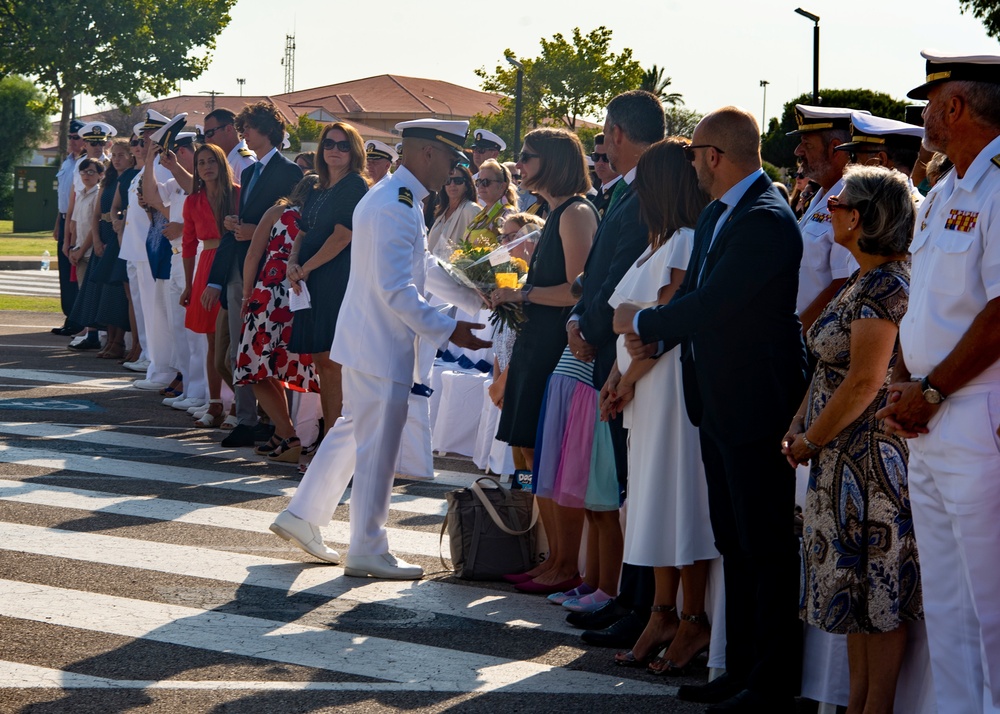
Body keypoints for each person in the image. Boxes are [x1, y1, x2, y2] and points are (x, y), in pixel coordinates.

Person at [613, 106, 807, 712]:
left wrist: (644, 322)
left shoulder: (765, 218)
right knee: (736, 541)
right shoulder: (725, 213)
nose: (691, 163)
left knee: (765, 546)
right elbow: (698, 296)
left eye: (695, 153)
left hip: (755, 402)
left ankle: (770, 681)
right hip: (719, 399)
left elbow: (716, 303)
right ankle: (743, 667)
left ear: (715, 157)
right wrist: (656, 332)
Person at [269, 119, 490, 579]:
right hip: (380, 342)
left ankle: (303, 514)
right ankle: (368, 545)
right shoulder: (397, 203)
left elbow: (421, 264)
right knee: (378, 446)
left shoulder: (396, 196)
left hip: (367, 338)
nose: (453, 171)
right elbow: (397, 289)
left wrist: (475, 298)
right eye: (451, 160)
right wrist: (450, 331)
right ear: (428, 153)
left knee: (354, 430)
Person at [875, 50, 1000, 714]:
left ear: (954, 107)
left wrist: (932, 390)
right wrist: (902, 382)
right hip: (929, 412)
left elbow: (999, 311)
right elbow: (923, 304)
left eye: (930, 102)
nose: (922, 116)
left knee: (990, 609)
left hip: (975, 413)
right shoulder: (947, 189)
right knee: (948, 606)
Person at [783, 165, 921, 714]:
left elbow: (866, 381)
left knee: (879, 596)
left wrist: (810, 440)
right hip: (841, 459)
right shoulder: (864, 280)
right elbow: (828, 374)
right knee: (857, 597)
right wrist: (799, 425)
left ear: (861, 218)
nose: (829, 209)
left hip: (869, 464)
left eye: (838, 203)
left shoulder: (887, 283)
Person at [603, 138, 717, 675]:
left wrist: (626, 379)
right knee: (652, 500)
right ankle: (663, 611)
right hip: (643, 385)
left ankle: (691, 617)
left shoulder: (688, 240)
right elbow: (627, 326)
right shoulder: (662, 240)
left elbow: (660, 330)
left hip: (667, 384)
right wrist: (614, 378)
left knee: (679, 501)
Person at [563, 91, 665, 649]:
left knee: (632, 488)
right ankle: (628, 597)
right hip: (608, 345)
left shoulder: (650, 188)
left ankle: (640, 603)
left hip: (626, 349)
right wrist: (582, 315)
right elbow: (600, 273)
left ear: (617, 134)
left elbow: (626, 272)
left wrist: (591, 325)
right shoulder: (627, 188)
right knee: (621, 486)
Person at [491, 127, 598, 593]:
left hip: (558, 349)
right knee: (535, 455)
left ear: (553, 161)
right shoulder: (553, 213)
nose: (519, 165)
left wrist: (524, 292)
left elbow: (581, 290)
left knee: (549, 457)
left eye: (528, 157)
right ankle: (553, 558)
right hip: (538, 344)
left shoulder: (575, 213)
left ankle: (564, 565)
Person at [204, 101, 303, 448]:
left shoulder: (290, 172)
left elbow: (292, 220)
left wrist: (253, 229)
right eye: (243, 126)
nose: (244, 132)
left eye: (250, 127)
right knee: (239, 353)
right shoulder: (248, 172)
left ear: (267, 130)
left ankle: (275, 425)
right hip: (241, 267)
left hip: (270, 274)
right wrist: (235, 225)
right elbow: (243, 220)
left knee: (269, 354)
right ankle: (247, 418)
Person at [286, 122, 370, 441]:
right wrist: (294, 263)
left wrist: (304, 268)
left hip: (337, 279)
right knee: (322, 359)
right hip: (311, 279)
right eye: (329, 144)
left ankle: (336, 442)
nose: (335, 150)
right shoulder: (318, 187)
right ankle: (331, 437)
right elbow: (303, 231)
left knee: (333, 362)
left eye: (343, 145)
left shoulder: (353, 186)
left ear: (355, 151)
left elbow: (342, 237)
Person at [235, 175, 321, 458]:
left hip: (268, 296)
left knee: (255, 368)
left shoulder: (277, 213)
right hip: (298, 298)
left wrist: (247, 295)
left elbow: (252, 255)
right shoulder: (320, 220)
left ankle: (287, 433)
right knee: (278, 366)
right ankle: (280, 434)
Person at [180, 143, 240, 428]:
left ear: (221, 163)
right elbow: (188, 244)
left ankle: (241, 405)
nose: (206, 166)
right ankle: (215, 403)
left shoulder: (238, 194)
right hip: (206, 266)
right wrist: (190, 285)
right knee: (211, 340)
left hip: (234, 263)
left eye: (211, 161)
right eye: (201, 162)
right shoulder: (192, 201)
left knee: (234, 340)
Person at [792, 105, 863, 332]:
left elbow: (842, 283)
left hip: (814, 341)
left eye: (807, 144)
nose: (798, 151)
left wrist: (797, 334)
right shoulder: (822, 195)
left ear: (835, 148)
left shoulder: (849, 201)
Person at [834, 112, 925, 201]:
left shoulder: (914, 212)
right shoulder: (913, 209)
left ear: (880, 161)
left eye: (854, 157)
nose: (849, 165)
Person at [52, 120, 86, 336]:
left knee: (76, 271)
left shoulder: (86, 163)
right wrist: (58, 222)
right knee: (65, 272)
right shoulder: (67, 161)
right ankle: (70, 316)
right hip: (65, 217)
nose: (72, 141)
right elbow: (63, 197)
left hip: (78, 220)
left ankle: (77, 320)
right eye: (70, 137)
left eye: (76, 137)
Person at [427, 164, 479, 258]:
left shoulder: (472, 210)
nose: (452, 185)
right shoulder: (441, 211)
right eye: (448, 181)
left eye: (458, 181)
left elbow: (477, 249)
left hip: (455, 270)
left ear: (467, 185)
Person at [464, 159, 518, 243]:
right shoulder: (481, 214)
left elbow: (510, 248)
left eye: (486, 182)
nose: (481, 186)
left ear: (502, 186)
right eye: (478, 182)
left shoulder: (508, 213)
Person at [203, 108, 256, 184]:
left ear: (228, 129)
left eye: (210, 133)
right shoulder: (232, 159)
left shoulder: (243, 161)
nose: (206, 140)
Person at [591, 132, 622, 219]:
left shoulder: (622, 192)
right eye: (596, 157)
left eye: (606, 157)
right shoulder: (601, 191)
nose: (600, 163)